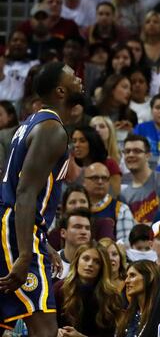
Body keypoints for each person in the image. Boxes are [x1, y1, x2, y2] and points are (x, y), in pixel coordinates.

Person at [0, 62, 82, 335]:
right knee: (45, 328)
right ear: (60, 90)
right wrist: (26, 253)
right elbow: (24, 192)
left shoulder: (31, 124)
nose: (79, 79)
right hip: (17, 231)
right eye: (73, 76)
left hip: (13, 227)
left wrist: (43, 244)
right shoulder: (51, 129)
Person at [54, 244, 122, 337]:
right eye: (86, 259)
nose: (90, 264)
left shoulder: (110, 295)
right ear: (77, 261)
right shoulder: (59, 289)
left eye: (96, 261)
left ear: (102, 267)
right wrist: (57, 332)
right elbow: (46, 325)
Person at [119, 135, 160, 223]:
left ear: (148, 155)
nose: (131, 155)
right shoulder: (124, 194)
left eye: (137, 151)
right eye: (127, 151)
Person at [83, 163, 134, 246]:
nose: (100, 182)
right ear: (84, 181)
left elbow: (124, 247)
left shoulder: (121, 209)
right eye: (95, 178)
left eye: (104, 178)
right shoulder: (74, 205)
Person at [116, 260, 160, 337]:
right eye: (127, 276)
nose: (126, 281)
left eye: (132, 275)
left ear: (150, 277)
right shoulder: (129, 315)